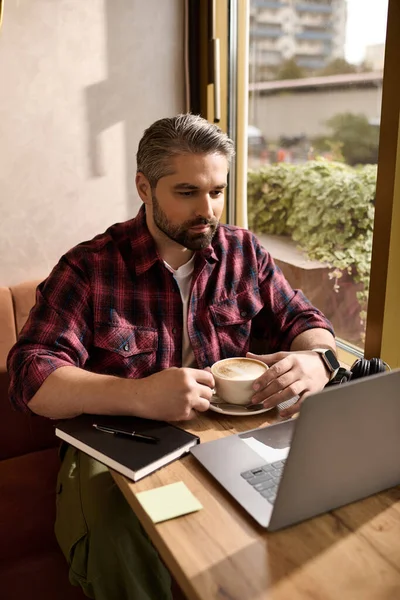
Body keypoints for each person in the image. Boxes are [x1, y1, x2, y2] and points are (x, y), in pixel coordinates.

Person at [7, 114, 336, 600]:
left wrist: (317, 362)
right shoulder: (90, 266)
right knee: (119, 527)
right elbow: (31, 376)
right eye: (187, 192)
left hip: (227, 435)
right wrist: (140, 395)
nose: (208, 210)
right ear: (144, 187)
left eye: (217, 192)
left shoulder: (243, 252)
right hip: (116, 443)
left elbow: (307, 323)